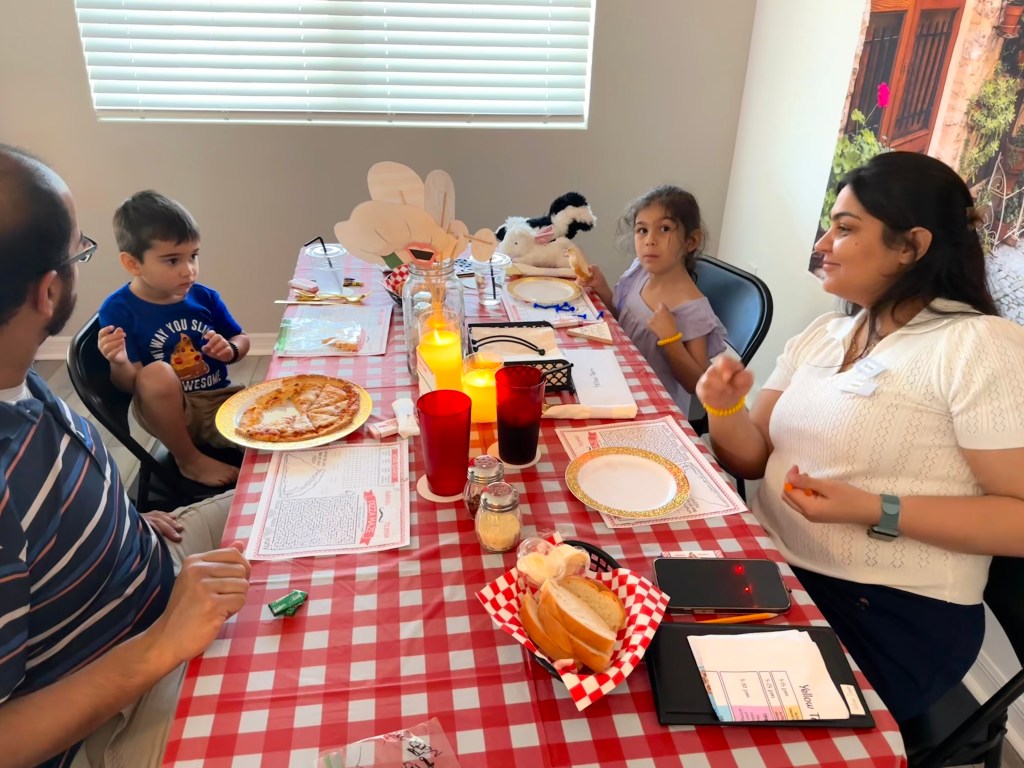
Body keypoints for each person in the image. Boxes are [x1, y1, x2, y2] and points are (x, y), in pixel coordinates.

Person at [696, 151, 1024, 724]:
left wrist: (876, 509)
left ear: (911, 246)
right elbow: (750, 457)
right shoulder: (826, 333)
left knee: (710, 722)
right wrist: (725, 407)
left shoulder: (978, 345)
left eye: (845, 229)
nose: (821, 244)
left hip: (883, 613)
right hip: (775, 570)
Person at [0, 144, 251, 768]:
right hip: (117, 707)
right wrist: (160, 646)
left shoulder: (16, 377)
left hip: (156, 562)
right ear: (49, 290)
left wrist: (126, 521)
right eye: (76, 251)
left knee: (334, 511)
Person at [97, 191, 248, 488]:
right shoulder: (119, 310)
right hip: (172, 413)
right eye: (172, 260)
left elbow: (240, 338)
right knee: (156, 374)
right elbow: (131, 384)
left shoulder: (204, 296)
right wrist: (119, 362)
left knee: (281, 437)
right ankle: (189, 460)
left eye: (193, 256)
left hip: (219, 400)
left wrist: (230, 350)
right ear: (132, 264)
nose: (188, 269)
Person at [580, 185, 727, 415]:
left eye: (664, 228)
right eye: (642, 230)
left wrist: (671, 340)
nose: (650, 240)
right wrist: (603, 290)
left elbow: (697, 385)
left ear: (691, 241)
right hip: (618, 383)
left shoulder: (693, 309)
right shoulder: (639, 271)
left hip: (654, 410)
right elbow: (624, 321)